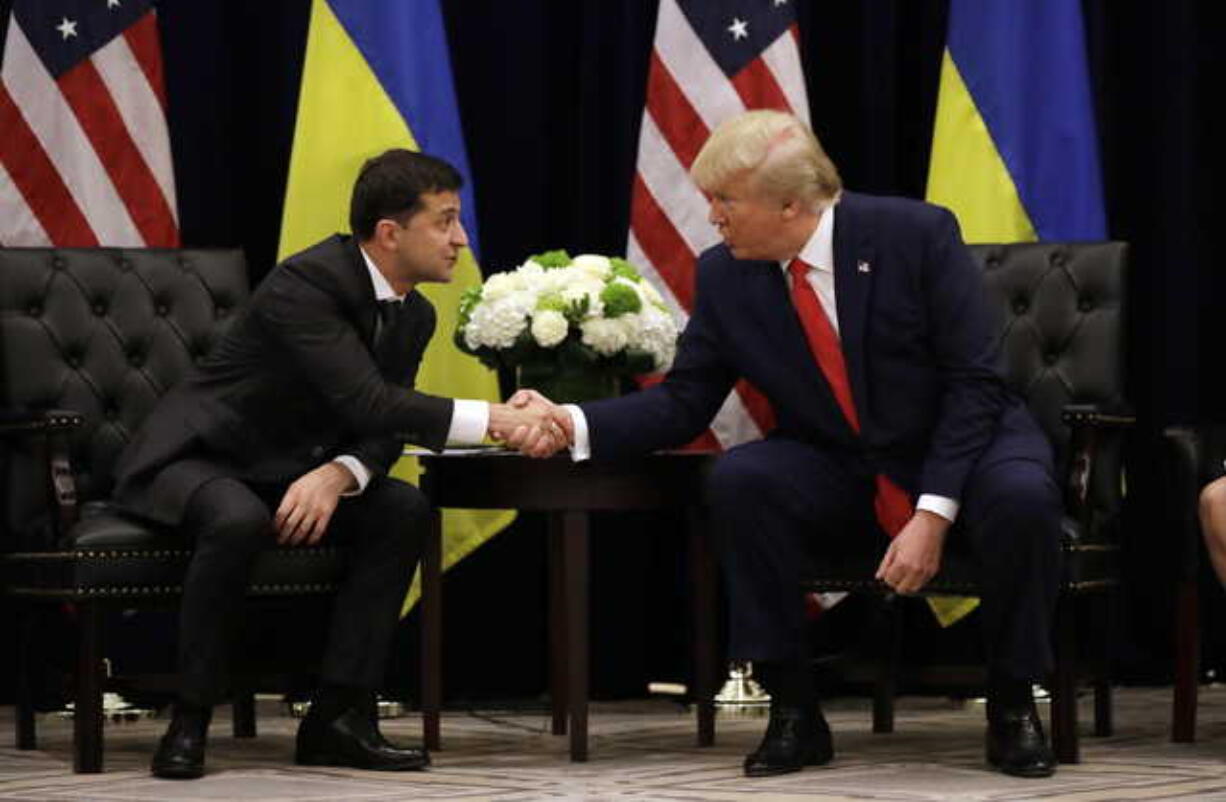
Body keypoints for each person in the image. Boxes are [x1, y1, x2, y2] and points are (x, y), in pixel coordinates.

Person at [507, 111, 1062, 778]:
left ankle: (1011, 704)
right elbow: (685, 400)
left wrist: (932, 512)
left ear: (791, 204)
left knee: (1023, 495)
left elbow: (974, 383)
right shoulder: (725, 275)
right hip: (842, 459)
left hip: (967, 444)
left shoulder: (914, 234)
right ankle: (794, 710)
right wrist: (573, 421)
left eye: (725, 200)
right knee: (742, 479)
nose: (712, 216)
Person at [112, 149, 553, 779]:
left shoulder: (415, 313)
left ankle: (339, 716)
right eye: (446, 221)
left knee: (401, 507)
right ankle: (190, 718)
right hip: (201, 458)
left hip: (292, 469)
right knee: (237, 519)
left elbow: (381, 425)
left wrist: (339, 472)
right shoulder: (307, 283)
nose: (461, 239)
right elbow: (369, 400)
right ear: (390, 233)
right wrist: (499, 420)